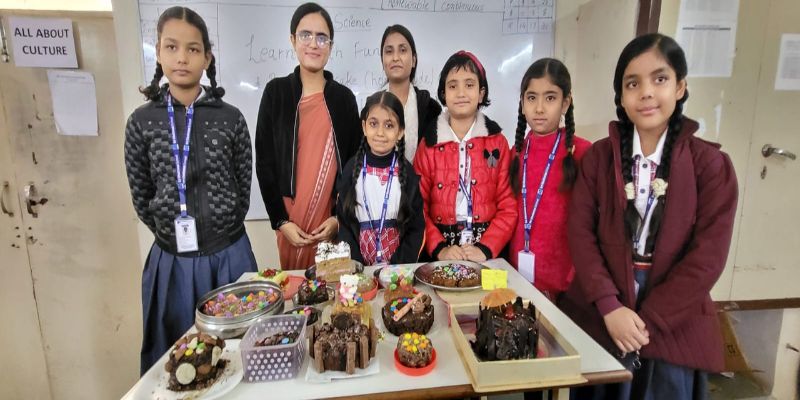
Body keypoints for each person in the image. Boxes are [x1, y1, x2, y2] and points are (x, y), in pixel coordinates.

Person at [561, 33, 738, 399]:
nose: (646, 93)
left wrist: (648, 322)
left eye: (659, 79)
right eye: (632, 83)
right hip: (604, 315)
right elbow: (580, 234)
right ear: (620, 95)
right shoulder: (598, 159)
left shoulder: (711, 165)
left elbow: (708, 258)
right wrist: (610, 307)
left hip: (673, 321)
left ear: (680, 87)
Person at [123, 6, 257, 374]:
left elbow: (243, 186)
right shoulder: (142, 122)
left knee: (241, 358)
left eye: (193, 49)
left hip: (229, 257)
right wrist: (171, 233)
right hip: (172, 264)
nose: (182, 58)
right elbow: (141, 194)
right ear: (158, 52)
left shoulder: (230, 118)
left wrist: (221, 227)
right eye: (172, 47)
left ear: (207, 58)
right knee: (179, 365)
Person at [255, 2, 362, 269]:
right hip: (291, 223)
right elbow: (265, 163)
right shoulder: (276, 93)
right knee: (296, 288)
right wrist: (280, 221)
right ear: (293, 40)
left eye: (322, 37)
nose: (314, 44)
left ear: (330, 46)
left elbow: (355, 164)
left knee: (334, 288)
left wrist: (339, 218)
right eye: (306, 35)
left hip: (329, 224)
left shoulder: (344, 99)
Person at [414, 51, 517, 262]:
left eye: (469, 85)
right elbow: (418, 207)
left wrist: (486, 248)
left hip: (486, 253)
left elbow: (508, 206)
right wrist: (440, 248)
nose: (461, 93)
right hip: (442, 253)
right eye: (453, 86)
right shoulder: (428, 145)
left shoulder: (498, 143)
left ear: (481, 93)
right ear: (443, 94)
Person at [508, 58, 591, 301]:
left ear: (565, 102)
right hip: (516, 280)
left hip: (567, 287)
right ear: (522, 103)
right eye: (531, 98)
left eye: (550, 98)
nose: (539, 108)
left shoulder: (582, 152)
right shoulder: (515, 153)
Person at [336, 91, 425, 265]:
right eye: (373, 124)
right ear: (364, 127)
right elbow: (344, 224)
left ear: (400, 131)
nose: (380, 133)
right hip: (360, 270)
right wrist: (357, 266)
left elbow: (416, 229)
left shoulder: (407, 172)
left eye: (389, 125)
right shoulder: (351, 170)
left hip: (400, 271)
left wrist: (397, 268)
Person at [379, 24, 441, 161]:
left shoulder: (431, 110)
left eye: (402, 50)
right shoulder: (372, 108)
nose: (395, 57)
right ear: (382, 61)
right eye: (389, 51)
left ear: (413, 60)